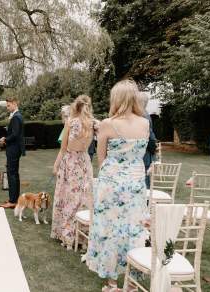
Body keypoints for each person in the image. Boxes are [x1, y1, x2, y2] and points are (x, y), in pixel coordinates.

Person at [86, 80, 149, 292]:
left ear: (117, 99)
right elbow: (140, 155)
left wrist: (111, 178)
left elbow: (101, 158)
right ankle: (132, 280)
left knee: (110, 230)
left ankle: (113, 282)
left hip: (111, 183)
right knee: (133, 229)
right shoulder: (145, 123)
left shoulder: (107, 124)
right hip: (136, 183)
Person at [51, 95, 95, 250]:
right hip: (84, 162)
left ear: (74, 108)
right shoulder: (92, 124)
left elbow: (63, 149)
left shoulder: (70, 123)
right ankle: (82, 234)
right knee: (83, 197)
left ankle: (66, 233)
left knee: (68, 196)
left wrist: (55, 166)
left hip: (70, 162)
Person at [0, 96, 25, 209]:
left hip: (13, 149)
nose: (7, 107)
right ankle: (14, 199)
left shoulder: (16, 117)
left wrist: (5, 139)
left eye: (9, 105)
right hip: (15, 149)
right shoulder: (17, 116)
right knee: (14, 174)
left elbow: (14, 134)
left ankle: (12, 201)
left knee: (12, 174)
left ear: (14, 103)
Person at [137, 92, 157, 187]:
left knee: (145, 179)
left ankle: (146, 200)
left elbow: (149, 135)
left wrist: (153, 149)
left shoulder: (142, 114)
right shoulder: (144, 113)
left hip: (146, 152)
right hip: (145, 151)